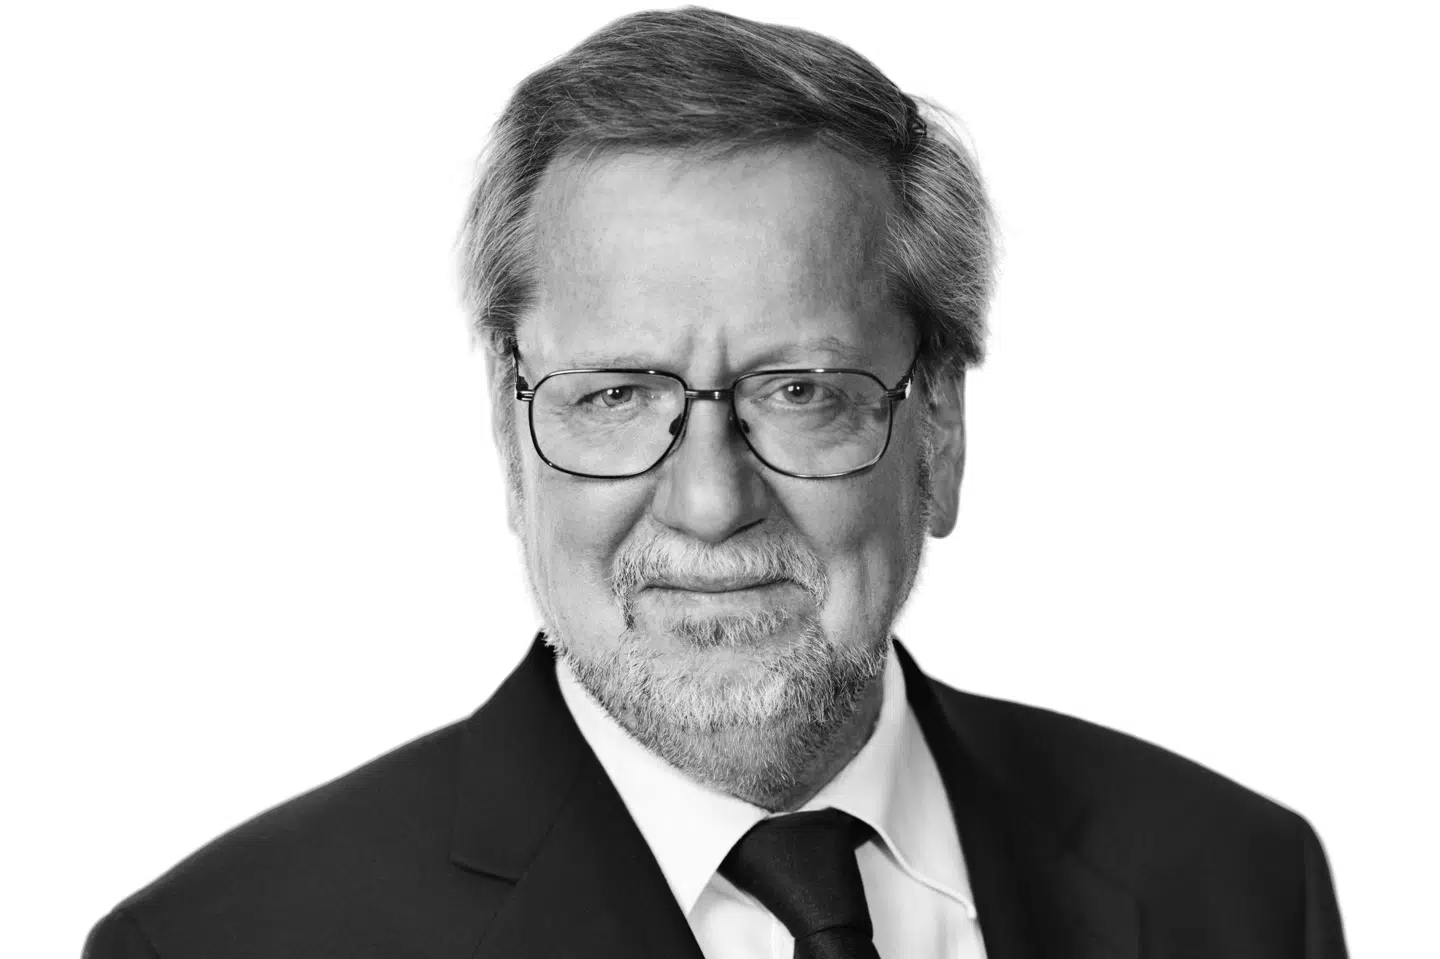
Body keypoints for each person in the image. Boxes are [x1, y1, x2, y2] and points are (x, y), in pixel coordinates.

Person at [83, 8, 1348, 958]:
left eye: (799, 390)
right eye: (614, 396)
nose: (707, 500)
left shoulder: (1238, 886)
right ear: (510, 438)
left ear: (941, 429)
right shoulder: (219, 943)